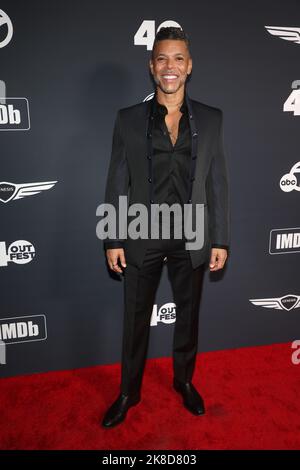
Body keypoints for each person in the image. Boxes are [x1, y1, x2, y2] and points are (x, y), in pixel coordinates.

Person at [101, 27, 230, 428]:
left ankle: (184, 382)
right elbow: (116, 180)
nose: (169, 67)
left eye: (177, 59)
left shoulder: (210, 119)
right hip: (141, 233)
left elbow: (216, 181)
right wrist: (113, 236)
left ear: (189, 67)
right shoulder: (128, 119)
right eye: (162, 59)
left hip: (192, 233)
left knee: (189, 317)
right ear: (151, 66)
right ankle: (128, 392)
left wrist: (220, 238)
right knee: (134, 319)